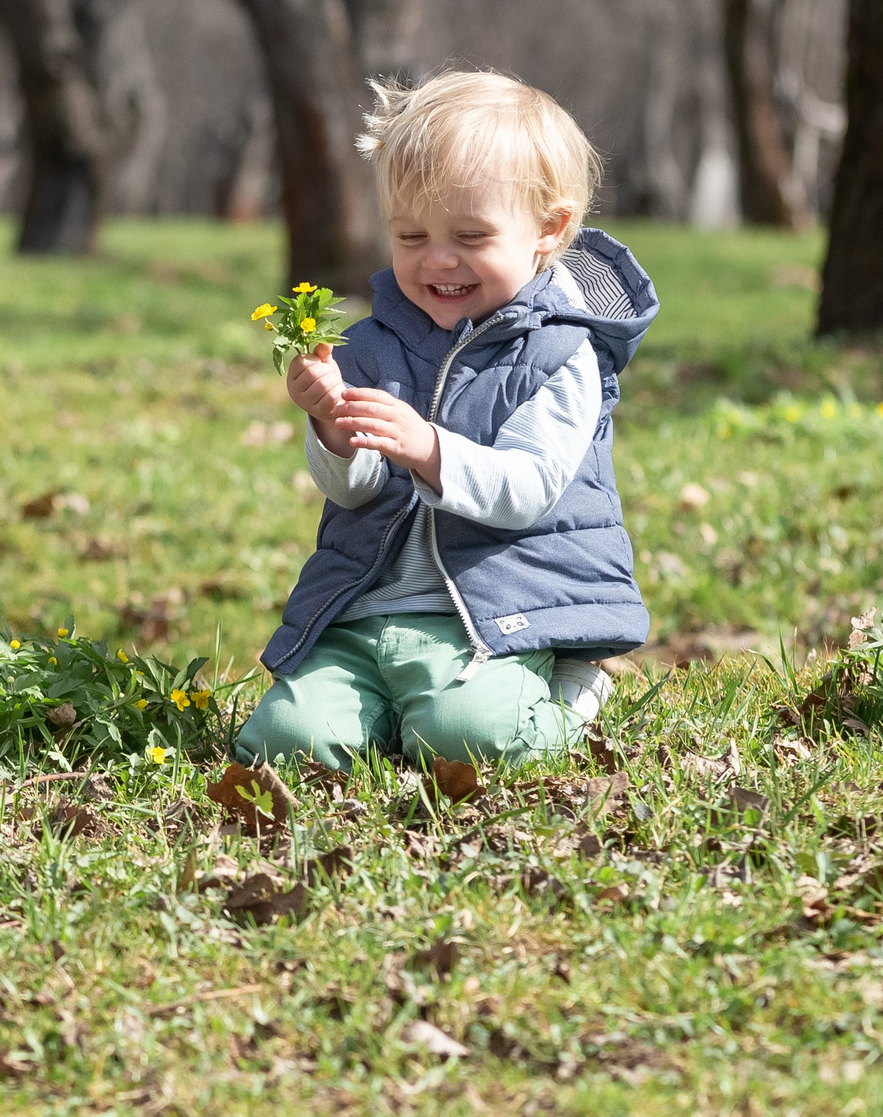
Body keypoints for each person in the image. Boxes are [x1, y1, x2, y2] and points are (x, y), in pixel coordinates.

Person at [234, 70, 657, 772]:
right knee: (283, 746)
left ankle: (568, 695)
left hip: (493, 616)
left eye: (471, 234)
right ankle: (389, 712)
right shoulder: (372, 345)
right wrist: (333, 425)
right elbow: (353, 489)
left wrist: (429, 448)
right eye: (410, 234)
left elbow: (526, 486)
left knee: (473, 739)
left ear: (549, 230)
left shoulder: (562, 355)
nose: (437, 258)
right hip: (364, 613)